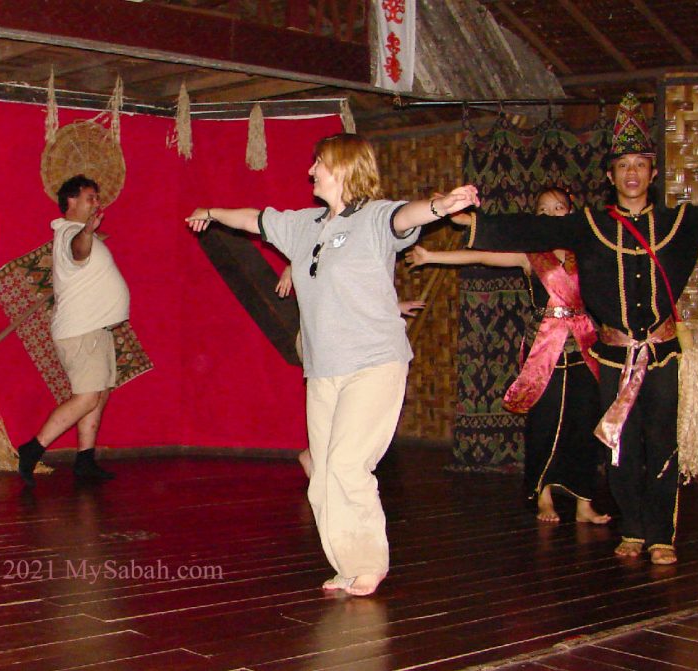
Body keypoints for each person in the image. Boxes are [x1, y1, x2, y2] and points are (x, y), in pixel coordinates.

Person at [462, 93, 698, 565]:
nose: (632, 173)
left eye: (640, 164)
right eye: (623, 165)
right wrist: (475, 224)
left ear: (652, 174)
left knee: (660, 443)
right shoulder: (589, 226)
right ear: (611, 176)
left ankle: (660, 535)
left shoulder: (679, 224)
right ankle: (632, 528)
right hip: (612, 356)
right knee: (619, 445)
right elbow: (531, 231)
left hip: (662, 355)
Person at [185, 133, 478, 596]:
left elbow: (410, 214)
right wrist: (211, 212)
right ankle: (346, 563)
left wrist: (442, 205)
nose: (310, 171)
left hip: (374, 363)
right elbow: (255, 220)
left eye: (318, 163)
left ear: (342, 167)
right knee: (322, 471)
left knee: (346, 464)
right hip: (323, 370)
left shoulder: (377, 218)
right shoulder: (304, 225)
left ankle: (368, 563)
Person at [407, 187, 610, 525]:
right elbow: (481, 256)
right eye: (542, 211)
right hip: (544, 350)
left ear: (571, 211)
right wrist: (431, 257)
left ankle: (583, 503)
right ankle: (542, 495)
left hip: (584, 347)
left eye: (557, 208)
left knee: (583, 423)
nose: (551, 214)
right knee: (543, 423)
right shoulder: (530, 256)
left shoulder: (587, 250)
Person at [17, 175, 126, 486]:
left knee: (98, 395)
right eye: (90, 197)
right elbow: (78, 251)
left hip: (96, 330)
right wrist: (88, 232)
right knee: (88, 397)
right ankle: (31, 449)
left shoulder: (79, 232)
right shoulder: (70, 233)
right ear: (72, 201)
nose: (96, 202)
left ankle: (85, 460)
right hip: (82, 330)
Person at [275, 264, 424, 478]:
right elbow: (308, 256)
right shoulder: (324, 261)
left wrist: (395, 307)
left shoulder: (348, 274)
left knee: (347, 409)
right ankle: (318, 459)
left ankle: (316, 458)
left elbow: (359, 300)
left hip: (341, 346)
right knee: (338, 405)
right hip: (323, 345)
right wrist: (291, 269)